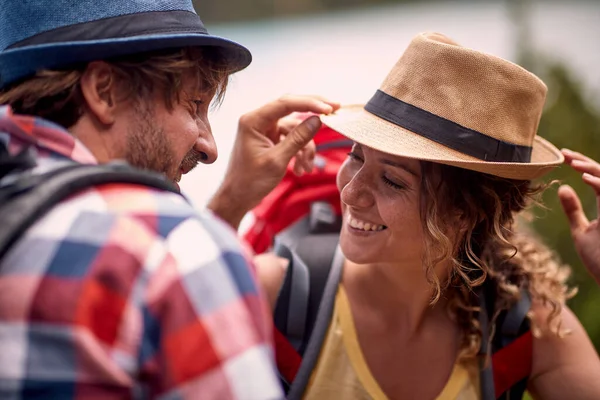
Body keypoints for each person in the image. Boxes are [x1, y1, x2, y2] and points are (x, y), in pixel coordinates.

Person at [0, 0, 338, 398]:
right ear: (104, 91)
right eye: (194, 104)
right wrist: (201, 236)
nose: (209, 146)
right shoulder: (176, 250)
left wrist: (228, 204)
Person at [257, 32, 600, 400]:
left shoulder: (525, 327)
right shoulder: (274, 293)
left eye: (392, 180)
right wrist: (231, 199)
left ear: (465, 211)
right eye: (355, 156)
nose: (350, 192)